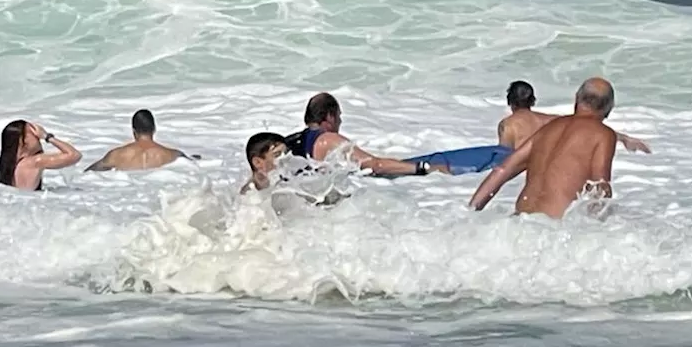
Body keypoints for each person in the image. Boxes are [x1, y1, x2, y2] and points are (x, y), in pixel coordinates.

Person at [470, 77, 620, 218]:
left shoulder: (548, 128)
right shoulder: (603, 134)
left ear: (576, 98)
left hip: (519, 222)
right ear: (609, 108)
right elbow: (600, 189)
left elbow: (502, 170)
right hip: (552, 229)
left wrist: (470, 212)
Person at [284, 92, 451, 177]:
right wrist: (424, 169)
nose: (340, 122)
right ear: (329, 116)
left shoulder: (296, 140)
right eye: (339, 116)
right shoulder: (327, 140)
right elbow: (374, 165)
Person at [498, 80, 650, 153]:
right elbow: (585, 126)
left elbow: (503, 158)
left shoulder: (507, 125)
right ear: (533, 100)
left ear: (509, 101)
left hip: (518, 178)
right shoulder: (550, 120)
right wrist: (624, 138)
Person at [240, 131, 348, 206]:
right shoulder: (249, 195)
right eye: (277, 155)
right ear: (257, 162)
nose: (284, 159)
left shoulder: (289, 179)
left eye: (286, 153)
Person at [84, 108, 191, 172]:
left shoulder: (116, 155)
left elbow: (89, 172)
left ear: (134, 131)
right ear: (154, 129)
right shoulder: (172, 155)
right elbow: (190, 164)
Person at [0, 120, 82, 190]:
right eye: (34, 133)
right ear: (23, 141)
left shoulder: (13, 165)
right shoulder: (35, 162)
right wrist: (47, 137)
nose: (38, 137)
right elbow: (74, 155)